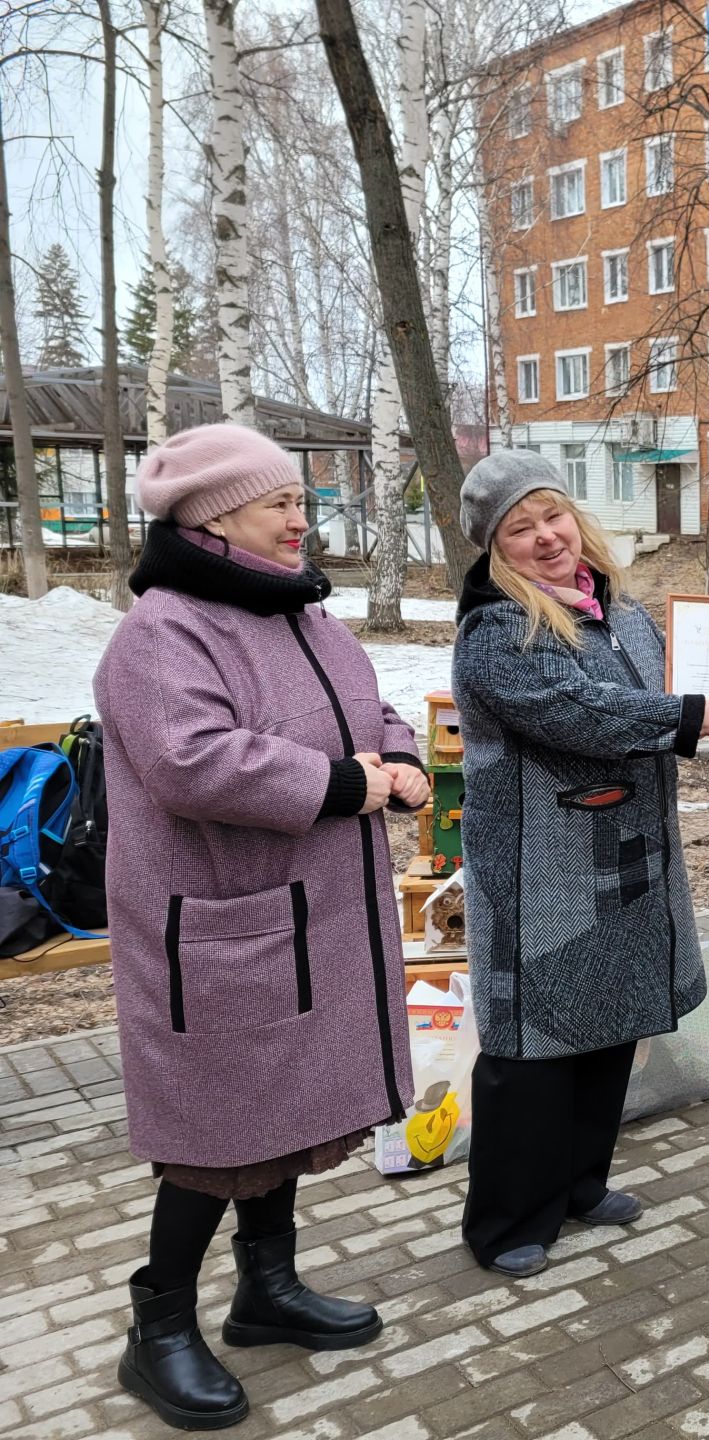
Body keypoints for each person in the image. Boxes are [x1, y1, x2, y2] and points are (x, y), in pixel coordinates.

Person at [94, 423, 430, 1431]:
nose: (301, 517)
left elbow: (364, 711)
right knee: (216, 1136)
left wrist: (400, 758)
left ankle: (265, 1291)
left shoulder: (301, 615)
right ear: (214, 517)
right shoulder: (163, 633)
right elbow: (193, 760)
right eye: (281, 501)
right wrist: (344, 785)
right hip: (219, 927)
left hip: (304, 913)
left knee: (279, 1113)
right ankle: (156, 1329)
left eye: (299, 499)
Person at [451, 451, 709, 1278]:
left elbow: (675, 695)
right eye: (520, 529)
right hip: (542, 873)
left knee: (607, 1028)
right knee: (533, 1047)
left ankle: (578, 1187)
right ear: (496, 550)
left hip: (626, 858)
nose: (545, 538)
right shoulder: (497, 629)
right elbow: (582, 713)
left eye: (551, 517)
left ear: (577, 517)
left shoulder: (619, 611)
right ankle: (504, 1223)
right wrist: (703, 712)